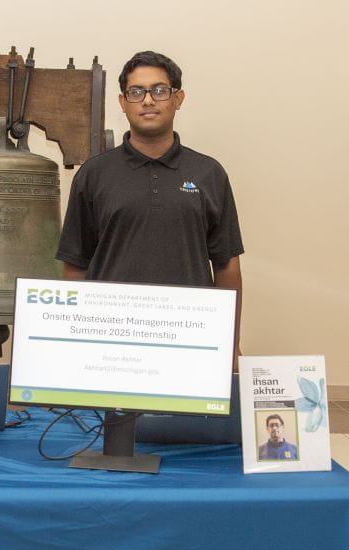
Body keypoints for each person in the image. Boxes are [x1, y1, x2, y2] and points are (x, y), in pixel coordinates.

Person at [57, 50, 243, 349]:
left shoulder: (209, 173)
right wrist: (77, 341)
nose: (147, 100)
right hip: (111, 342)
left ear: (178, 99)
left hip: (191, 338)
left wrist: (231, 344)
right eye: (136, 92)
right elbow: (75, 267)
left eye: (159, 90)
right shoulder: (93, 174)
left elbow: (226, 266)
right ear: (123, 102)